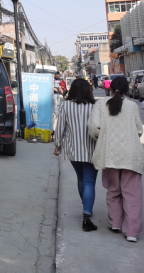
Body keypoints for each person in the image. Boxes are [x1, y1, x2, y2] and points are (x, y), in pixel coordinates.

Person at [88, 76, 144, 242]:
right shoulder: (132, 106)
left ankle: (115, 223)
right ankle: (132, 232)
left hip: (109, 154)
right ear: (127, 90)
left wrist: (104, 137)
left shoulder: (100, 104)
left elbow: (94, 128)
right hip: (132, 156)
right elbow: (139, 130)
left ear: (110, 89)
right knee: (132, 194)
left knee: (113, 189)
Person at [54, 79, 99, 232]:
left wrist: (58, 145)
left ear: (71, 90)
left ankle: (87, 208)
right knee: (89, 182)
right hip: (93, 149)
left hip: (74, 150)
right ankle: (87, 215)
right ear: (88, 90)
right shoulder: (95, 106)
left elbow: (60, 127)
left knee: (81, 179)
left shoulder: (65, 106)